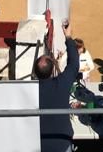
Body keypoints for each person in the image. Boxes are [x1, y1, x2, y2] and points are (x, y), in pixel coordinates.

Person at [33, 24, 80, 152]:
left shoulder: (28, 90)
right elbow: (74, 63)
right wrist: (68, 37)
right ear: (52, 69)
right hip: (61, 143)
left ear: (35, 72)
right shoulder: (61, 84)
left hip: (37, 145)